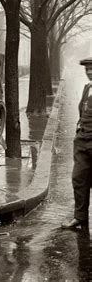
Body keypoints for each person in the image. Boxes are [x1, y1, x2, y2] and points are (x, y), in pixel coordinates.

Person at [62, 57, 92, 230]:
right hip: (82, 142)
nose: (89, 73)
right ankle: (79, 218)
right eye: (87, 70)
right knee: (79, 179)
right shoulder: (87, 88)